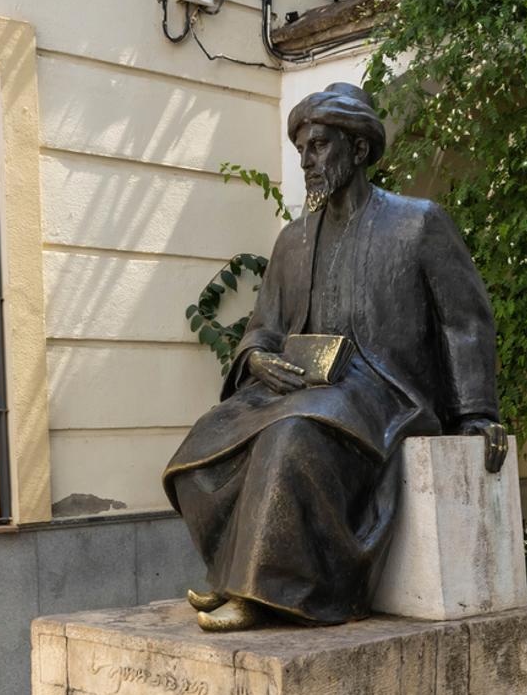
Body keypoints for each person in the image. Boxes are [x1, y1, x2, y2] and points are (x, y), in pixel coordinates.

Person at [163, 82, 507, 632]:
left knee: (291, 436)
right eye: (302, 150)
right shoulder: (292, 241)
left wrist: (477, 412)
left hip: (387, 391)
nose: (307, 161)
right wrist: (256, 361)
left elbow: (465, 322)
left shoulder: (418, 223)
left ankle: (269, 593)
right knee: (205, 444)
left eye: (319, 146)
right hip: (308, 387)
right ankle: (234, 574)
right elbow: (263, 328)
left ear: (360, 150)